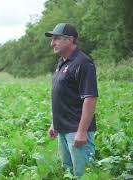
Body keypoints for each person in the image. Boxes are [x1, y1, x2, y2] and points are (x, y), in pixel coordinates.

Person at [45, 23, 98, 177]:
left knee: (84, 174)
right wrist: (55, 123)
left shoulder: (83, 63)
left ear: (69, 40)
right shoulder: (62, 62)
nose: (52, 43)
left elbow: (90, 98)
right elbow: (64, 96)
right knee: (68, 172)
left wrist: (82, 132)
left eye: (56, 39)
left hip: (76, 131)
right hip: (63, 129)